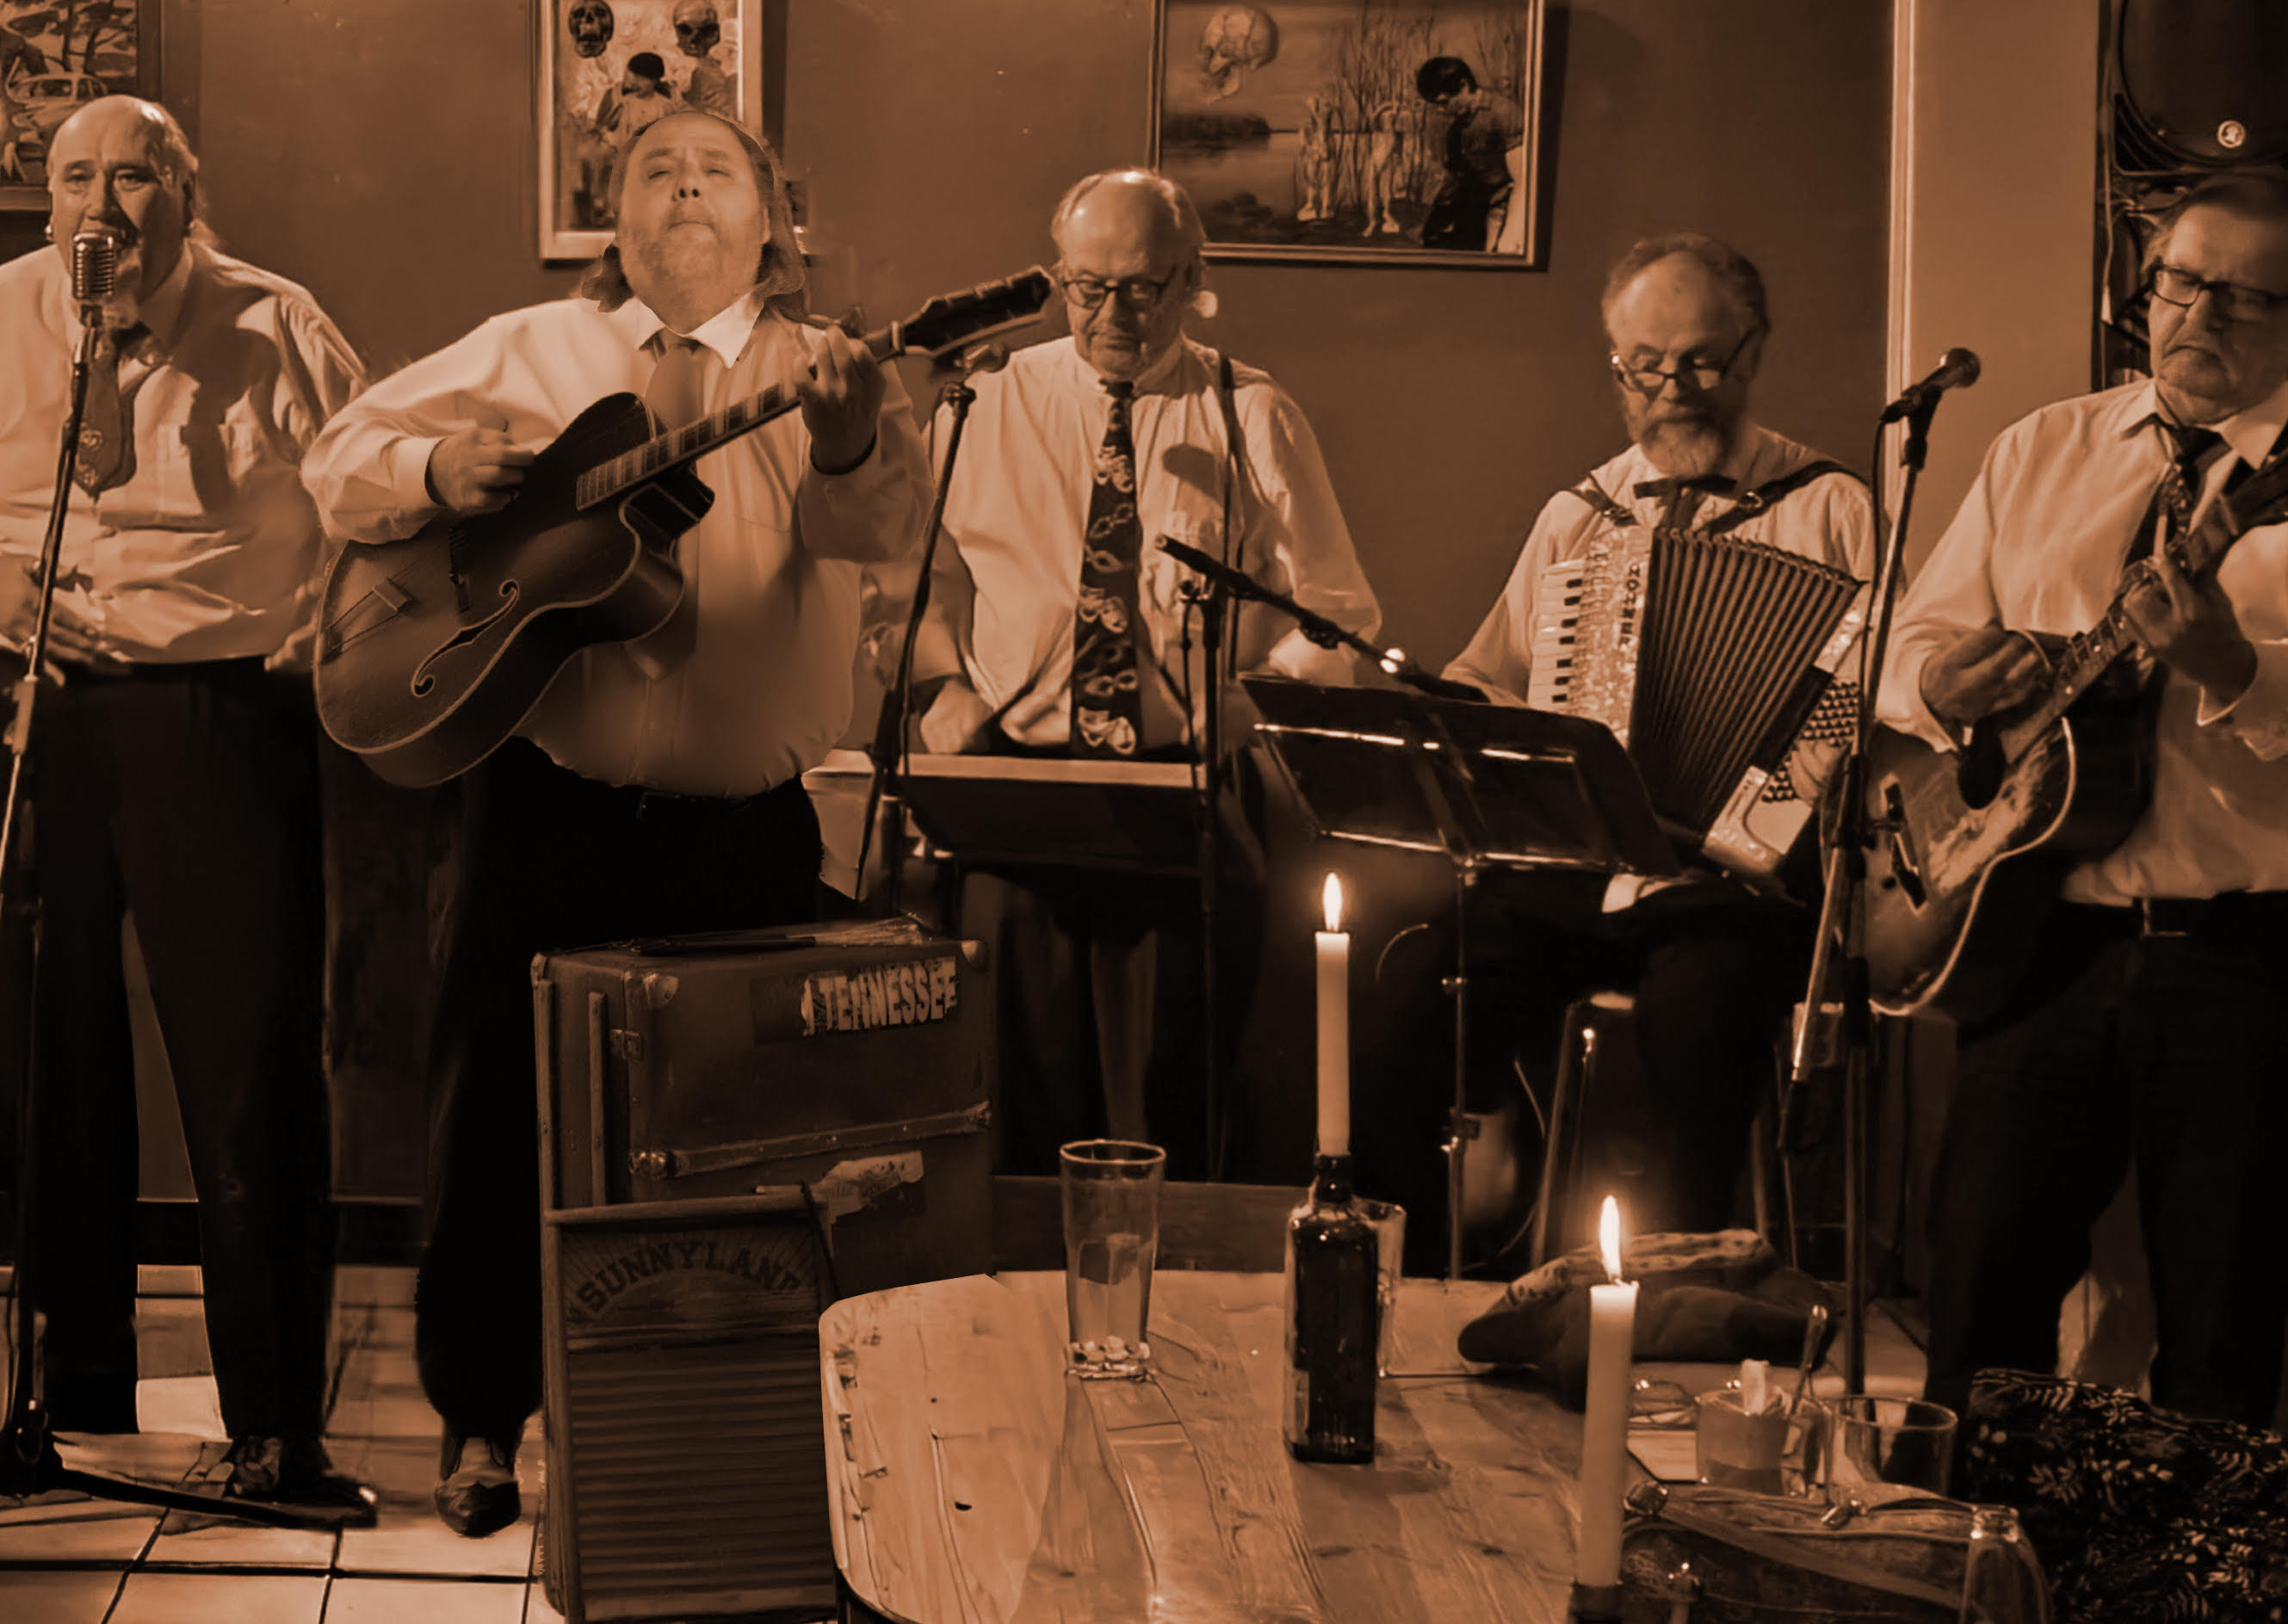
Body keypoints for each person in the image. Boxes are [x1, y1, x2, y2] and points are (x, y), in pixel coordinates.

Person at [302, 108, 931, 1536]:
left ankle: (716, 1428)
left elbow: (881, 537)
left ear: (769, 220)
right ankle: (478, 1416)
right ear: (615, 218)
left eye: (717, 171)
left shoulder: (826, 368)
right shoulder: (527, 347)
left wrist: (844, 445)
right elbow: (338, 457)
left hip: (743, 829)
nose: (686, 187)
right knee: (490, 1114)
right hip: (545, 806)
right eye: (656, 170)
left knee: (741, 1141)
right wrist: (435, 475)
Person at [0, 96, 376, 1520]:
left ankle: (273, 1426)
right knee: (38, 1039)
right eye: (76, 176)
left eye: (135, 175)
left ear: (185, 197)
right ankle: (67, 1388)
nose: (103, 204)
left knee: (245, 1057)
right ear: (45, 201)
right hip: (22, 696)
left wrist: (328, 621)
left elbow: (377, 503)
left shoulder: (275, 323)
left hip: (208, 704)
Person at [1895, 169, 2288, 1425]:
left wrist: (2235, 669)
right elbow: (1916, 643)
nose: (2199, 316)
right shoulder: (2042, 447)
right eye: (2182, 282)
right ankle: (1961, 1537)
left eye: (2246, 297)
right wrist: (1944, 684)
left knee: (2218, 1334)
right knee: (1976, 1304)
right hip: (2036, 933)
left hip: (2241, 956)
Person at [1401, 232, 1876, 1253]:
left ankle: (1679, 1277)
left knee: (1699, 1013)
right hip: (1584, 876)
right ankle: (1435, 1257)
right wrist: (1469, 722)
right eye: (1643, 366)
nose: (1672, 391)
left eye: (1699, 361)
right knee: (1422, 974)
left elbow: (1877, 697)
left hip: (1742, 886)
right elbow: (1487, 676)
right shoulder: (1580, 515)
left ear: (1752, 351)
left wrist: (1825, 766)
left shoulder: (1832, 509)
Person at [912, 169, 1382, 1177]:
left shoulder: (1248, 411)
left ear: (1192, 279)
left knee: (1162, 1108)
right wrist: (944, 683)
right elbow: (922, 577)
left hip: (1177, 797)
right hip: (1015, 791)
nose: (1112, 315)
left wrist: (1248, 702)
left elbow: (1340, 617)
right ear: (1058, 278)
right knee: (1017, 1102)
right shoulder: (982, 403)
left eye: (1141, 288)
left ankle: (1164, 1269)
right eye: (1088, 288)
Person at [1415, 56, 1519, 253]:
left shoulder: (1503, 112)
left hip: (1501, 207)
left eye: (1444, 102)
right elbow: (1455, 177)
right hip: (1470, 206)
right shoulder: (1456, 127)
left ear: (1463, 85)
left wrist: (1510, 233)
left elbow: (1523, 182)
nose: (1441, 110)